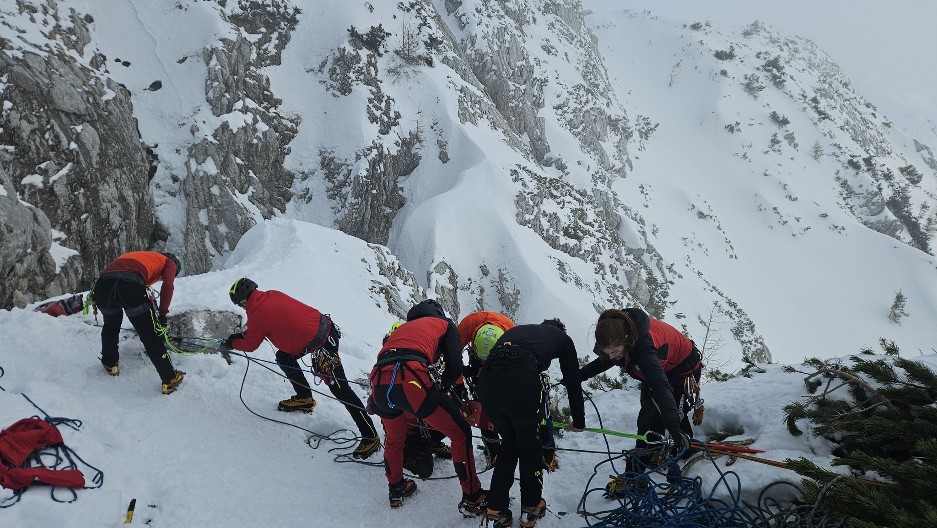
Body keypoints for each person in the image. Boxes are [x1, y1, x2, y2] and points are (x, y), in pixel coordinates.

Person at [222, 278, 380, 460]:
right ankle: (304, 397)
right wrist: (238, 337)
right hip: (325, 331)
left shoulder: (257, 314)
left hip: (321, 346)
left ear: (242, 301)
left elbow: (250, 344)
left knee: (342, 391)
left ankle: (370, 436)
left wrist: (231, 342)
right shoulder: (272, 294)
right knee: (284, 357)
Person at [368, 300, 485, 514]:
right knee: (460, 433)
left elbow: (387, 359)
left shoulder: (402, 329)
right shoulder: (444, 324)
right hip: (410, 377)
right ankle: (472, 495)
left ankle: (396, 488)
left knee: (394, 440)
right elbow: (455, 365)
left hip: (379, 382)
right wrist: (443, 388)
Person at [477, 318, 586, 528]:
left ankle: (496, 509)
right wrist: (579, 420)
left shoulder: (519, 331)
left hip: (489, 383)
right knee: (529, 446)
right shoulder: (563, 339)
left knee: (510, 443)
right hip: (521, 382)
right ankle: (531, 507)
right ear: (559, 331)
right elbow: (573, 381)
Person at [578, 308, 702, 472]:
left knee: (651, 418)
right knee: (650, 411)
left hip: (681, 368)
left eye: (615, 352)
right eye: (608, 353)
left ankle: (640, 471)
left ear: (627, 340)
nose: (612, 356)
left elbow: (661, 387)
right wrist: (577, 376)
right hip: (659, 368)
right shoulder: (617, 334)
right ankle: (659, 450)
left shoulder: (644, 350)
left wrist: (672, 425)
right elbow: (605, 361)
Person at [92, 251, 184, 395]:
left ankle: (110, 363)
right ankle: (170, 378)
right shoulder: (169, 262)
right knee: (149, 334)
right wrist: (163, 313)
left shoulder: (141, 255)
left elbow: (119, 271)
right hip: (130, 285)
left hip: (103, 286)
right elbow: (168, 286)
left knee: (111, 324)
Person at [457, 311, 516, 466]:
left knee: (495, 398)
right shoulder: (467, 326)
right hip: (479, 355)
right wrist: (459, 383)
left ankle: (496, 441)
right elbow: (452, 356)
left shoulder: (513, 337)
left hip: (499, 358)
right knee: (482, 402)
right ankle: (492, 444)